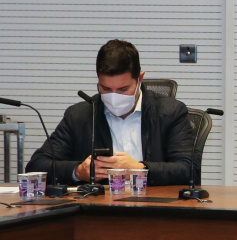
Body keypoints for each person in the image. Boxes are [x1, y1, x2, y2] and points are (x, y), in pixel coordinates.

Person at [26, 39, 194, 186]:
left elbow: (189, 169)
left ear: (140, 79)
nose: (114, 97)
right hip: (99, 209)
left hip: (154, 208)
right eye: (106, 88)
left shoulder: (170, 112)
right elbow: (37, 166)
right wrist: (77, 171)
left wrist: (141, 169)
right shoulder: (80, 115)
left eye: (123, 89)